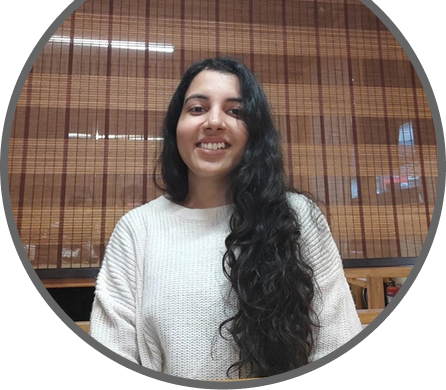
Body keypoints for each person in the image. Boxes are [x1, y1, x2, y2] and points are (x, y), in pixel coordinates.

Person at [89, 57, 363, 380]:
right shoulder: (137, 230)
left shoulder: (298, 216)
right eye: (197, 109)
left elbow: (336, 340)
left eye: (235, 111)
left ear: (254, 133)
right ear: (176, 127)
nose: (214, 121)